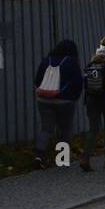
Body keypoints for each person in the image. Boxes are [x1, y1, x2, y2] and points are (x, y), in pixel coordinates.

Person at [33, 39, 84, 168]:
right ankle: (62, 159)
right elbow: (78, 83)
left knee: (46, 129)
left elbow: (37, 80)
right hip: (65, 101)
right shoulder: (72, 62)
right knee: (65, 129)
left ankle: (38, 156)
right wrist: (74, 97)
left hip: (43, 100)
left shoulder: (46, 60)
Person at [79, 36, 105, 172]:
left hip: (91, 100)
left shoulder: (91, 63)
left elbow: (85, 84)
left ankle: (85, 158)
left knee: (93, 129)